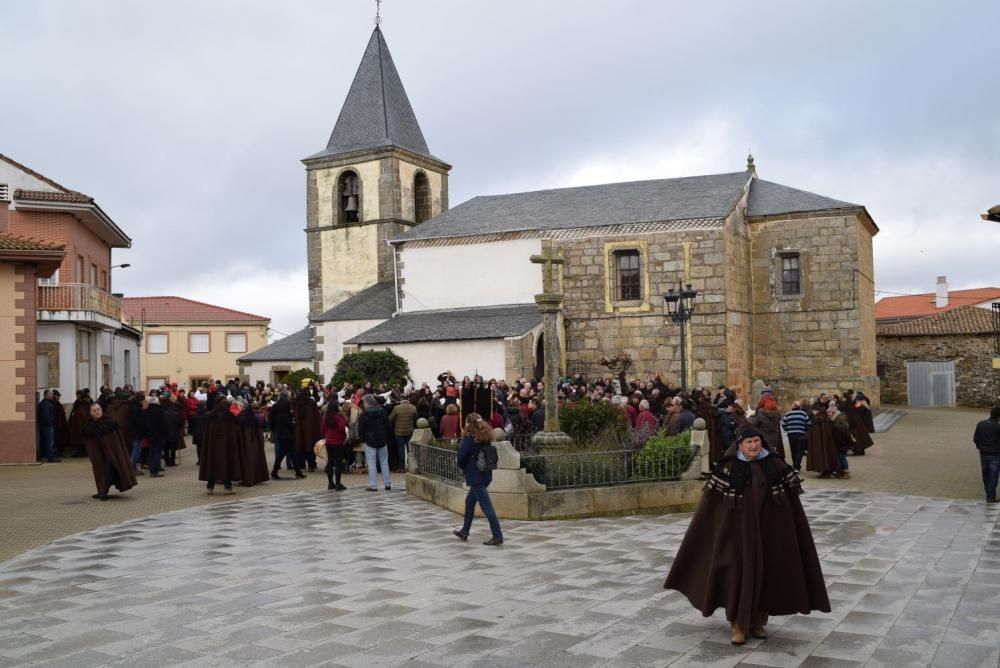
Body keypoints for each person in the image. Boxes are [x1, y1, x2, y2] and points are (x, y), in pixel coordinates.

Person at [663, 426, 829, 645]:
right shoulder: (728, 468)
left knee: (767, 575)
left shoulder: (775, 465)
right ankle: (738, 624)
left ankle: (759, 621)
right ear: (739, 444)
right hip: (735, 536)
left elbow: (791, 506)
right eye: (749, 442)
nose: (753, 446)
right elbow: (711, 508)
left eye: (756, 441)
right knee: (736, 575)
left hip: (769, 535)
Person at [453, 414, 504, 546]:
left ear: (468, 424)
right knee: (469, 502)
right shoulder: (485, 437)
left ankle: (497, 536)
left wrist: (464, 466)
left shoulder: (469, 439)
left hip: (475, 477)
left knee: (487, 507)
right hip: (486, 475)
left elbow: (461, 458)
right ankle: (465, 531)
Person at [82, 402, 138, 500]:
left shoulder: (109, 423)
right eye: (94, 411)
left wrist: (113, 452)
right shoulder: (89, 426)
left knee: (108, 471)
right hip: (98, 455)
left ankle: (103, 491)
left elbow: (115, 441)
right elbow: (89, 443)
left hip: (111, 454)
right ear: (90, 413)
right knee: (100, 471)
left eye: (98, 410)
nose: (97, 412)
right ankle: (101, 490)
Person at [198, 399, 243, 495]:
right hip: (227, 447)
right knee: (227, 465)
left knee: (211, 465)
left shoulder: (210, 416)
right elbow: (236, 430)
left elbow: (205, 432)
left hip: (212, 447)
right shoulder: (230, 416)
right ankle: (227, 488)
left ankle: (210, 488)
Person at [358, 394, 393, 491]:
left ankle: (373, 485)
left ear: (367, 403)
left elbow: (361, 429)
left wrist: (362, 440)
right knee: (384, 462)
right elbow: (388, 426)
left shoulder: (364, 414)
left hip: (370, 441)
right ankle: (387, 483)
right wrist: (387, 438)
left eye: (364, 403)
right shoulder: (383, 412)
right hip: (382, 440)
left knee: (372, 463)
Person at [269, 391, 303, 479]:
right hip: (286, 435)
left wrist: (272, 428)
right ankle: (275, 472)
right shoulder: (284, 411)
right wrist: (293, 422)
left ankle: (297, 472)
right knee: (284, 454)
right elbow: (288, 422)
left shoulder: (276, 406)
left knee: (290, 453)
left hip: (282, 433)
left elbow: (271, 418)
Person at [237, 399, 271, 486]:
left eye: (239, 405)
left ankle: (248, 479)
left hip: (246, 442)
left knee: (247, 460)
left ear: (242, 407)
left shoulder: (240, 417)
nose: (238, 407)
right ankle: (256, 477)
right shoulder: (252, 416)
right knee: (255, 459)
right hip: (255, 441)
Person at [973, 407, 1000, 503]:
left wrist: (980, 447)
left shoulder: (981, 424)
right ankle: (990, 496)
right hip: (995, 454)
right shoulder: (998, 427)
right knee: (993, 476)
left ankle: (988, 493)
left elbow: (976, 438)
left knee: (986, 474)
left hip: (983, 454)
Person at [322, 395, 349, 491]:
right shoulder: (338, 416)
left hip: (329, 441)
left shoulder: (325, 415)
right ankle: (338, 484)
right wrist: (344, 437)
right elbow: (342, 428)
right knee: (338, 462)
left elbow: (323, 428)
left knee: (330, 461)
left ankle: (330, 483)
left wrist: (327, 436)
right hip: (338, 442)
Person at [389, 394, 417, 472]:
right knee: (410, 450)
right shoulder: (413, 408)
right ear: (408, 399)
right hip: (409, 431)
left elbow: (390, 419)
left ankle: (401, 467)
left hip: (399, 432)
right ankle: (411, 466)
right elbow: (415, 419)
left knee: (401, 450)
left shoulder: (396, 408)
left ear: (401, 399)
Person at [781, 401, 811, 472]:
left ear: (793, 407)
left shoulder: (788, 414)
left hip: (791, 435)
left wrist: (788, 430)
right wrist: (805, 430)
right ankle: (796, 467)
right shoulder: (804, 414)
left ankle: (795, 465)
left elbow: (783, 424)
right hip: (801, 434)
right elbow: (808, 424)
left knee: (793, 450)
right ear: (799, 407)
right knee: (799, 451)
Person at [143, 395, 167, 478]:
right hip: (159, 434)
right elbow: (163, 424)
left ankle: (151, 468)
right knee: (157, 453)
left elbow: (145, 423)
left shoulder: (146, 411)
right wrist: (165, 433)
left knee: (151, 451)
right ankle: (154, 470)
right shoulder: (160, 411)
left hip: (150, 434)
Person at [827, 403, 853, 479]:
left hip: (842, 443)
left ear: (834, 412)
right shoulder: (838, 419)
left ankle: (846, 472)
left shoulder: (838, 422)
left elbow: (841, 435)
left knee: (842, 456)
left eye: (829, 412)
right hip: (843, 442)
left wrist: (837, 444)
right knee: (841, 456)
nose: (828, 414)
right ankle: (841, 471)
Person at [36, 390, 59, 463]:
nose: (52, 396)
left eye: (52, 394)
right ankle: (50, 457)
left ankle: (46, 456)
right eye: (50, 394)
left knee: (47, 442)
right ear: (45, 395)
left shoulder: (47, 402)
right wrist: (51, 422)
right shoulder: (45, 404)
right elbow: (45, 416)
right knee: (49, 442)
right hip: (47, 425)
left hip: (47, 425)